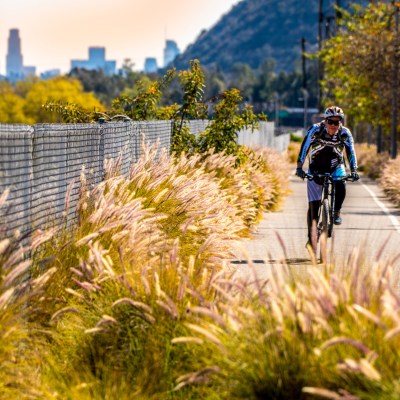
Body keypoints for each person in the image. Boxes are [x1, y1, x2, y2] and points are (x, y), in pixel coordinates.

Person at [295, 105, 359, 247]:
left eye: (337, 122)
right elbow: (304, 147)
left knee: (341, 183)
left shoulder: (344, 133)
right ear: (325, 121)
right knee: (314, 208)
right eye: (331, 122)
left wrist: (354, 170)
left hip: (336, 165)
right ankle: (311, 238)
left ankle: (336, 212)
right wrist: (299, 167)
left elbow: (351, 152)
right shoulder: (315, 130)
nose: (333, 126)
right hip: (315, 167)